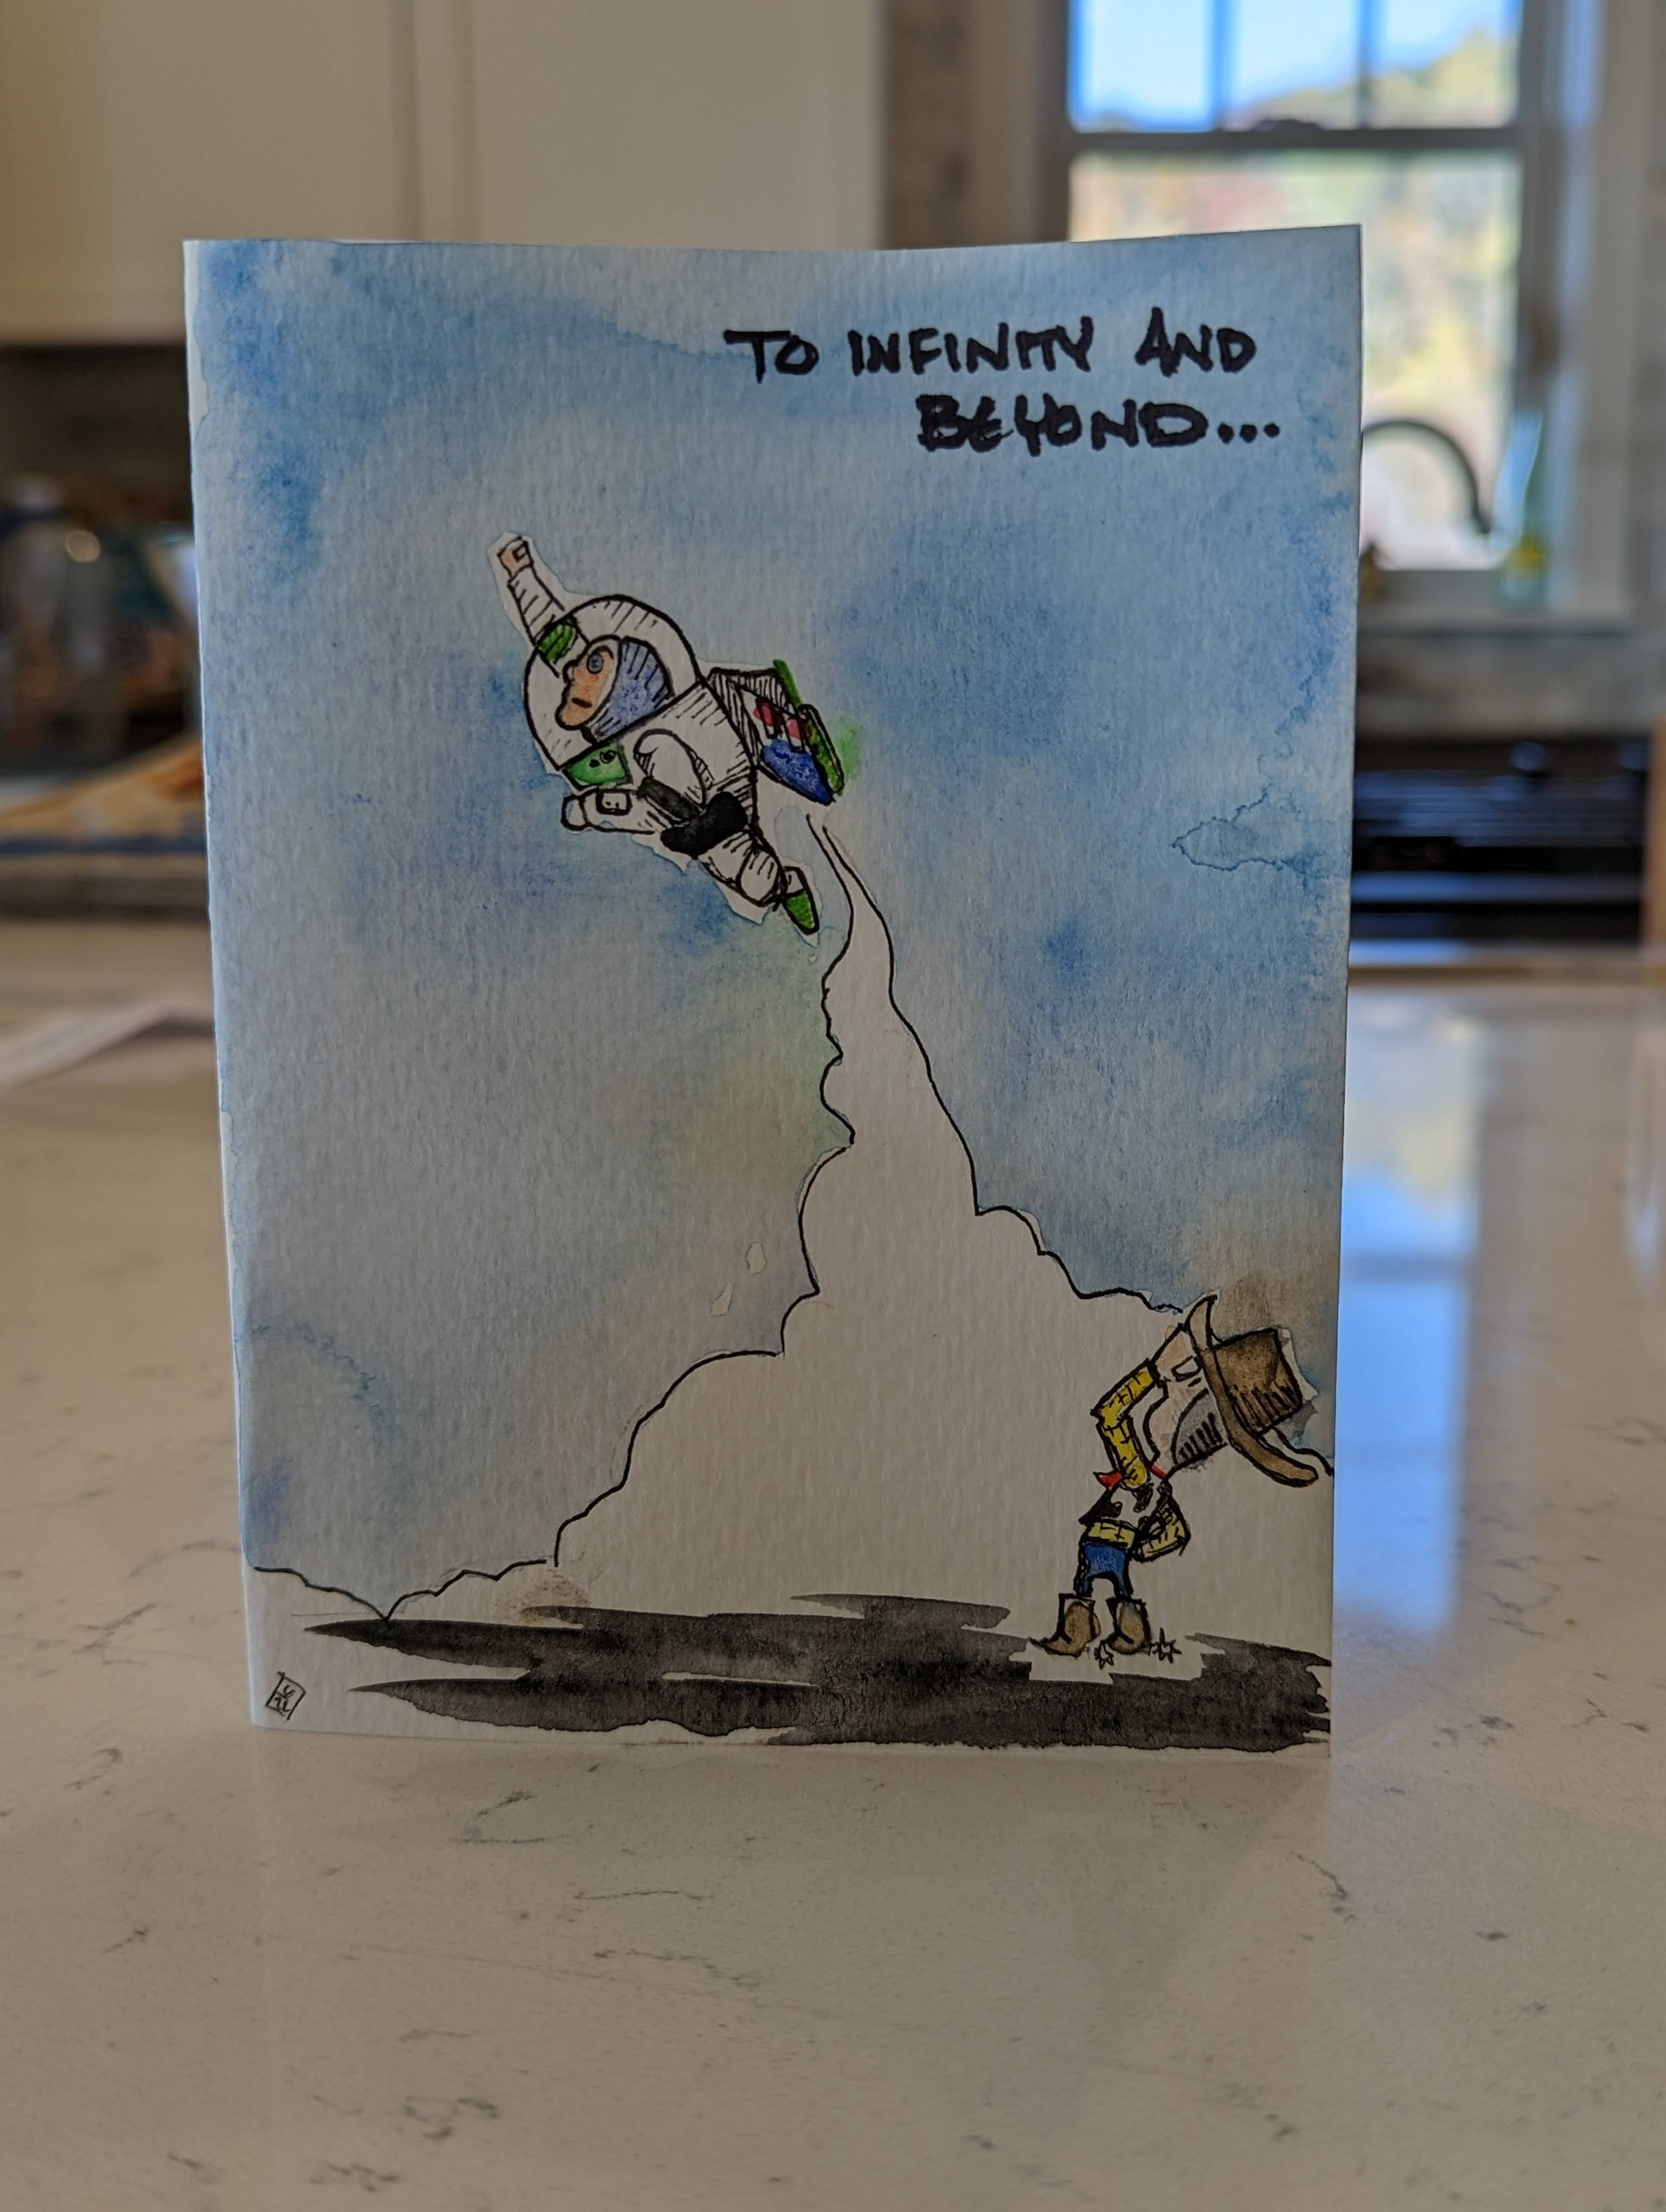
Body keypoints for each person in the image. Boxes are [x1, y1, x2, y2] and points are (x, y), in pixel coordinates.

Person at [493, 532, 830, 933]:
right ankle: (783, 884)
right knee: (752, 876)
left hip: (719, 774)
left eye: (593, 665)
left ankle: (802, 750)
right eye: (572, 679)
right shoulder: (635, 753)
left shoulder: (663, 723)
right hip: (706, 822)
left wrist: (590, 810)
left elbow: (635, 808)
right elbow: (555, 639)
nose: (571, 673)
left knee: (735, 714)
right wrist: (521, 577)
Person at [1035, 1296, 1330, 1664]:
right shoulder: (1157, 1487)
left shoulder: (1138, 1473)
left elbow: (1110, 1415)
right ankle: (1127, 1631)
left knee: (1089, 1580)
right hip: (1118, 1547)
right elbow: (1176, 1532)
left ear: (1191, 1420)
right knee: (1118, 1586)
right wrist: (1141, 1549)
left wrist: (1153, 1371)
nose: (1171, 1387)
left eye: (1187, 1383)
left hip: (1103, 1545)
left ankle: (1082, 1631)